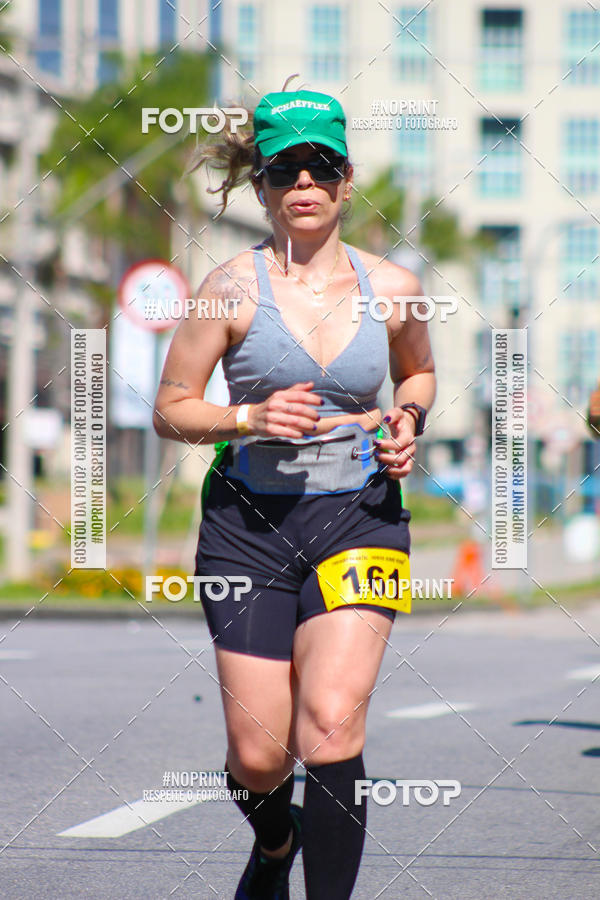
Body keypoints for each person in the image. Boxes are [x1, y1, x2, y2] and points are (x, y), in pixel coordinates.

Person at [153, 86, 436, 900]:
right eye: (285, 169)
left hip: (359, 517)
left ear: (346, 182)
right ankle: (277, 845)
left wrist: (408, 419)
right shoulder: (227, 289)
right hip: (247, 529)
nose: (304, 182)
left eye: (321, 166)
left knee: (331, 722)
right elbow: (171, 407)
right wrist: (248, 416)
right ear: (262, 186)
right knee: (258, 755)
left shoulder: (394, 285)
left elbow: (418, 371)